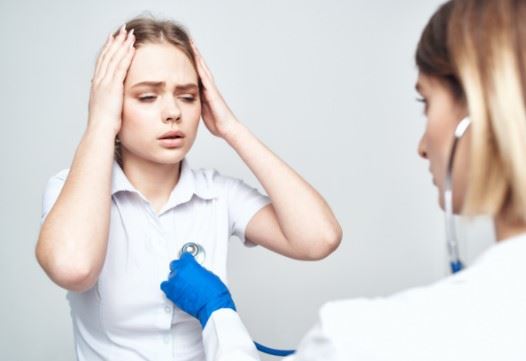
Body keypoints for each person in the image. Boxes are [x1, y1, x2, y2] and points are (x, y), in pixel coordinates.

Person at [160, 0, 526, 360]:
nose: (422, 146)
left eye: (425, 103)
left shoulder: (359, 338)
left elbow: (320, 236)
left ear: (486, 114)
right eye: (146, 96)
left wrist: (216, 312)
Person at [36, 16, 342, 361]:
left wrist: (230, 127)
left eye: (187, 96)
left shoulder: (218, 195)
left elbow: (320, 238)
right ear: (113, 102)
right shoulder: (70, 190)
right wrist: (100, 123)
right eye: (147, 96)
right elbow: (72, 267)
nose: (172, 113)